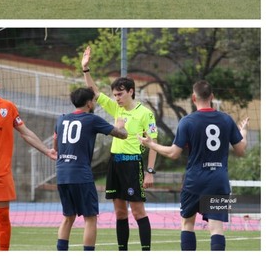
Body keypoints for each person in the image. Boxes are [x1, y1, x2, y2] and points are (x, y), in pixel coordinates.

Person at [139, 80, 248, 251]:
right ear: (212, 96)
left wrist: (151, 144)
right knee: (216, 227)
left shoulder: (187, 121)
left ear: (193, 97)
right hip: (218, 181)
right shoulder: (226, 120)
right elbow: (241, 151)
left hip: (194, 181)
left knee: (188, 224)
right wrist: (243, 133)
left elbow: (173, 153)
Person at [81, 45, 157, 251]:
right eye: (114, 95)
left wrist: (149, 172)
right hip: (115, 163)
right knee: (120, 212)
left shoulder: (145, 113)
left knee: (138, 211)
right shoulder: (115, 108)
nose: (117, 98)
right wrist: (85, 69)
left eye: (120, 94)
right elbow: (95, 92)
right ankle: (122, 250)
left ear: (131, 91)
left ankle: (146, 251)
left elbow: (154, 144)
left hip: (133, 164)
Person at [0, 69, 57, 251]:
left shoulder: (8, 107)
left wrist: (46, 150)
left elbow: (26, 133)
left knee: (3, 217)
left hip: (0, 173)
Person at [54, 87, 128, 251]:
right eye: (94, 100)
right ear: (89, 103)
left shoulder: (61, 119)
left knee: (68, 217)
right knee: (90, 218)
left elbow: (56, 142)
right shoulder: (92, 119)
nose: (95, 103)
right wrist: (120, 125)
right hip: (80, 174)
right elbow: (122, 135)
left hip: (62, 173)